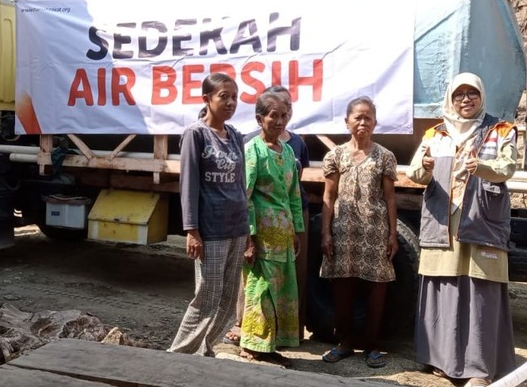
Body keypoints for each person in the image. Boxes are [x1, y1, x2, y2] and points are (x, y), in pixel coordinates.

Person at [407, 72, 518, 385]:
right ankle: (442, 360)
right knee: (444, 287)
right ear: (450, 99)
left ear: (481, 97)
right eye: (459, 94)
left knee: (480, 288)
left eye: (472, 94)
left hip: (481, 218)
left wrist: (480, 167)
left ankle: (478, 369)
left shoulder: (501, 129)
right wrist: (424, 168)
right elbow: (416, 173)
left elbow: (508, 167)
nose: (465, 100)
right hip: (444, 219)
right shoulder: (435, 133)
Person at [168, 73, 248, 357]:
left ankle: (203, 350)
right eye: (223, 96)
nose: (230, 102)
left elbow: (241, 183)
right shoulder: (196, 134)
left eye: (234, 97)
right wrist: (192, 230)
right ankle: (175, 356)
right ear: (207, 100)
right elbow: (188, 184)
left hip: (237, 226)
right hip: (210, 229)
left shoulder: (236, 135)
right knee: (207, 297)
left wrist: (248, 229)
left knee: (227, 299)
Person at [226, 86, 311, 344]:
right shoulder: (252, 150)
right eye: (273, 115)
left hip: (283, 237)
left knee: (281, 289)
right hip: (260, 236)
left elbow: (294, 195)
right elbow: (244, 196)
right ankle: (253, 344)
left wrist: (296, 231)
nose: (280, 121)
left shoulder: (287, 152)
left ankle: (272, 344)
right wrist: (249, 239)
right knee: (259, 289)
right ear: (259, 119)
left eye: (284, 115)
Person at [319, 96, 398, 369]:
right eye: (358, 117)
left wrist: (392, 234)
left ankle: (373, 345)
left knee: (377, 290)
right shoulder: (335, 156)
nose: (363, 122)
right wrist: (325, 234)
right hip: (344, 233)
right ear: (347, 121)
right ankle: (344, 342)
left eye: (368, 117)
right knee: (342, 289)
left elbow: (390, 198)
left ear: (375, 123)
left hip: (375, 233)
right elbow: (328, 198)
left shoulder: (385, 156)